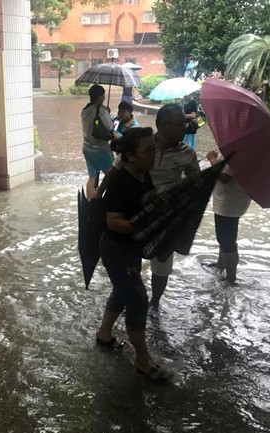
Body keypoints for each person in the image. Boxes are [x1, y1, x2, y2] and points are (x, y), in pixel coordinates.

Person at [95, 127, 171, 382]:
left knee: (123, 289)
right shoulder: (121, 183)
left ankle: (104, 334)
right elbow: (113, 221)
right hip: (116, 249)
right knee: (138, 300)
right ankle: (143, 360)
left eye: (154, 148)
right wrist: (147, 225)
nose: (153, 154)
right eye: (147, 150)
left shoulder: (143, 175)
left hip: (130, 249)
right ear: (128, 156)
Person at [149, 104, 200, 311]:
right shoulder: (142, 145)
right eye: (180, 124)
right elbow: (118, 170)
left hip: (166, 217)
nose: (185, 128)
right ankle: (129, 299)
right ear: (162, 126)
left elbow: (195, 184)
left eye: (185, 123)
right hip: (136, 214)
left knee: (161, 266)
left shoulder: (188, 154)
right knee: (128, 262)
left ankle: (154, 303)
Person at [205, 149, 251, 284]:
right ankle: (221, 264)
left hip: (229, 202)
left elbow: (225, 177)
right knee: (224, 237)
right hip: (229, 199)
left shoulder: (236, 152)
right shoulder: (238, 150)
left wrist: (212, 159)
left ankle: (231, 278)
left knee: (227, 240)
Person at [81, 84, 114, 200]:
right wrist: (108, 114)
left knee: (92, 177)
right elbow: (109, 127)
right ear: (100, 96)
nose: (104, 97)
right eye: (103, 95)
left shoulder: (84, 110)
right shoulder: (101, 109)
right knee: (112, 176)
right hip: (101, 149)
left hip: (87, 149)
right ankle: (108, 201)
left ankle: (90, 202)